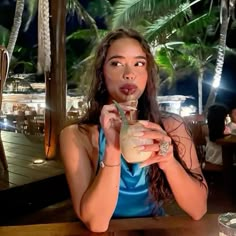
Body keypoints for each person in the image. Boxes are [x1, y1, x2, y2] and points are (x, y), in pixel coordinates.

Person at [60, 28, 208, 232]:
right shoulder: (77, 136)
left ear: (147, 74)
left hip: (153, 231)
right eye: (116, 63)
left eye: (139, 63)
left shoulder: (171, 127)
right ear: (102, 72)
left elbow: (198, 209)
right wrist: (112, 148)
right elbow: (96, 223)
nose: (129, 74)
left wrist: (168, 162)